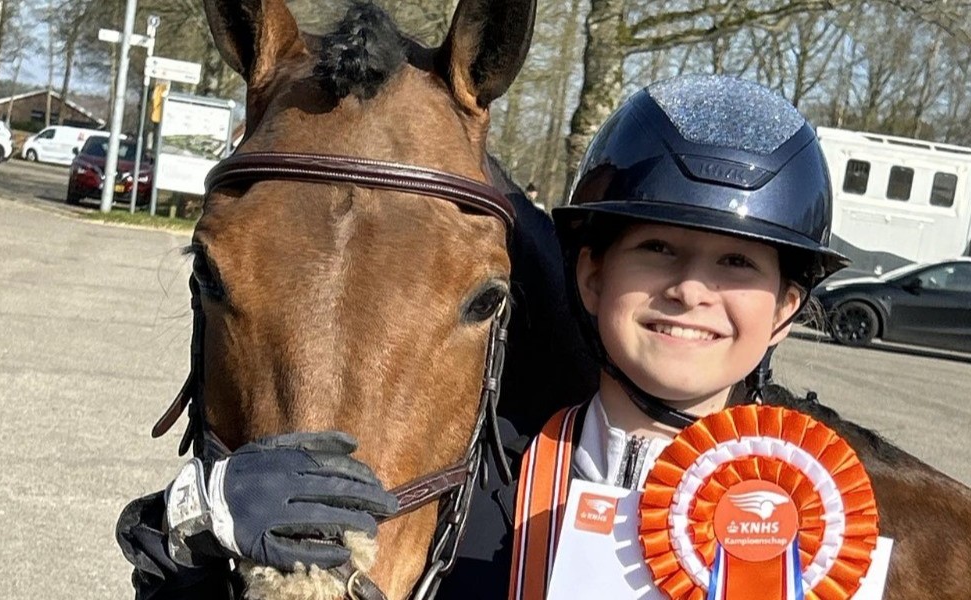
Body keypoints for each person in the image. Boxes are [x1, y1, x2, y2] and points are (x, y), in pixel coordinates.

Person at [116, 74, 850, 599]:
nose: (692, 289)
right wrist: (198, 519)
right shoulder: (466, 491)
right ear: (588, 277)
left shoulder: (841, 508)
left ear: (787, 306)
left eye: (736, 263)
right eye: (657, 251)